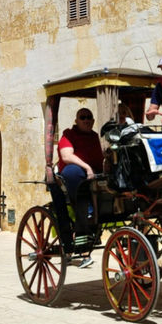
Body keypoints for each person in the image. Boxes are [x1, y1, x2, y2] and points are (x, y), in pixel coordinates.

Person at [57, 108, 103, 267]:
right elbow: (66, 156)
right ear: (76, 120)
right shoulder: (68, 135)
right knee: (73, 172)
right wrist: (87, 167)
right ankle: (85, 209)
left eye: (89, 117)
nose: (86, 120)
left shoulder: (94, 137)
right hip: (74, 174)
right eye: (82, 117)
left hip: (92, 175)